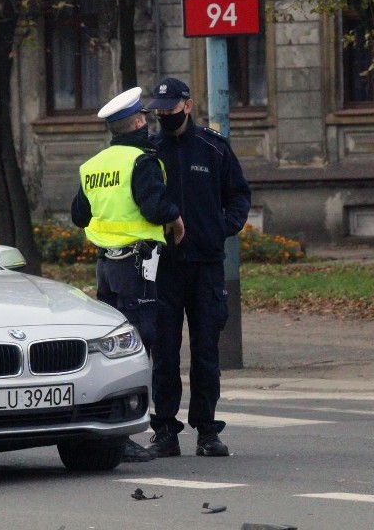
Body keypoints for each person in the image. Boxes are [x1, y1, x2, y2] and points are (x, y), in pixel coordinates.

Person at [71, 86, 184, 463]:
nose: (148, 124)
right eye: (145, 119)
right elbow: (153, 208)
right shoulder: (141, 161)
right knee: (137, 348)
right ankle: (124, 434)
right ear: (137, 122)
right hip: (137, 267)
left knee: (110, 345)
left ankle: (107, 428)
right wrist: (173, 214)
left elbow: (79, 216)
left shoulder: (94, 165)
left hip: (106, 267)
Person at [143, 77, 251, 458]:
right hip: (165, 266)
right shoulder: (150, 150)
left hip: (206, 265)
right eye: (158, 110)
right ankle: (166, 431)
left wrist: (222, 228)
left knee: (206, 351)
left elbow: (238, 194)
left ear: (187, 106)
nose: (163, 115)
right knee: (165, 353)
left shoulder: (213, 148)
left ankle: (207, 430)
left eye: (169, 109)